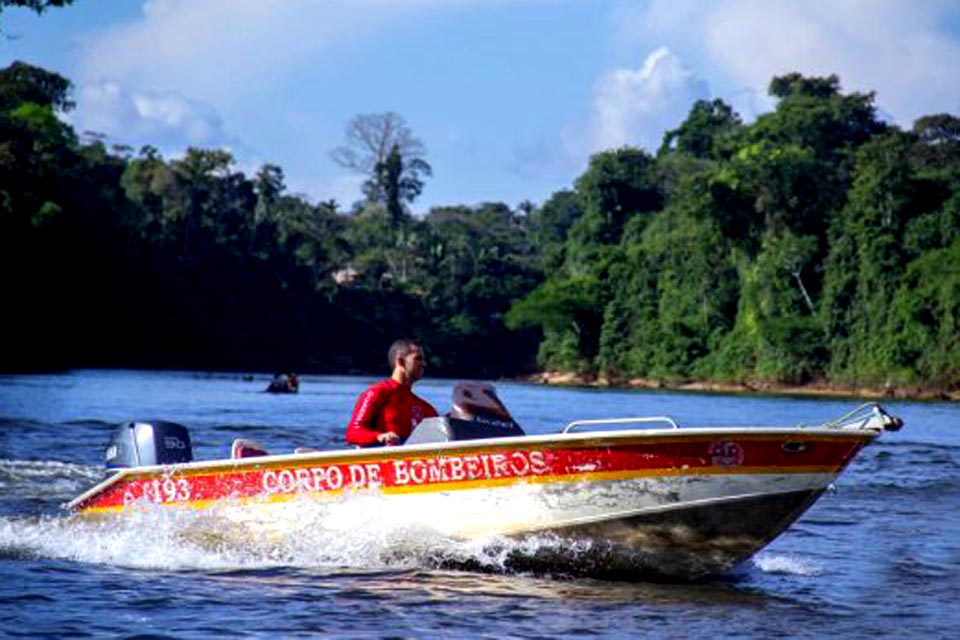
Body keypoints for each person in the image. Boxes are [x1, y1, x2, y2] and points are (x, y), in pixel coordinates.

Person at [345, 339, 438, 447]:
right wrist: (379, 436)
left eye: (423, 360)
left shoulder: (425, 407)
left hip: (409, 459)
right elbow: (352, 433)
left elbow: (441, 432)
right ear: (401, 362)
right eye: (418, 359)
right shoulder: (377, 393)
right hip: (379, 458)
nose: (424, 364)